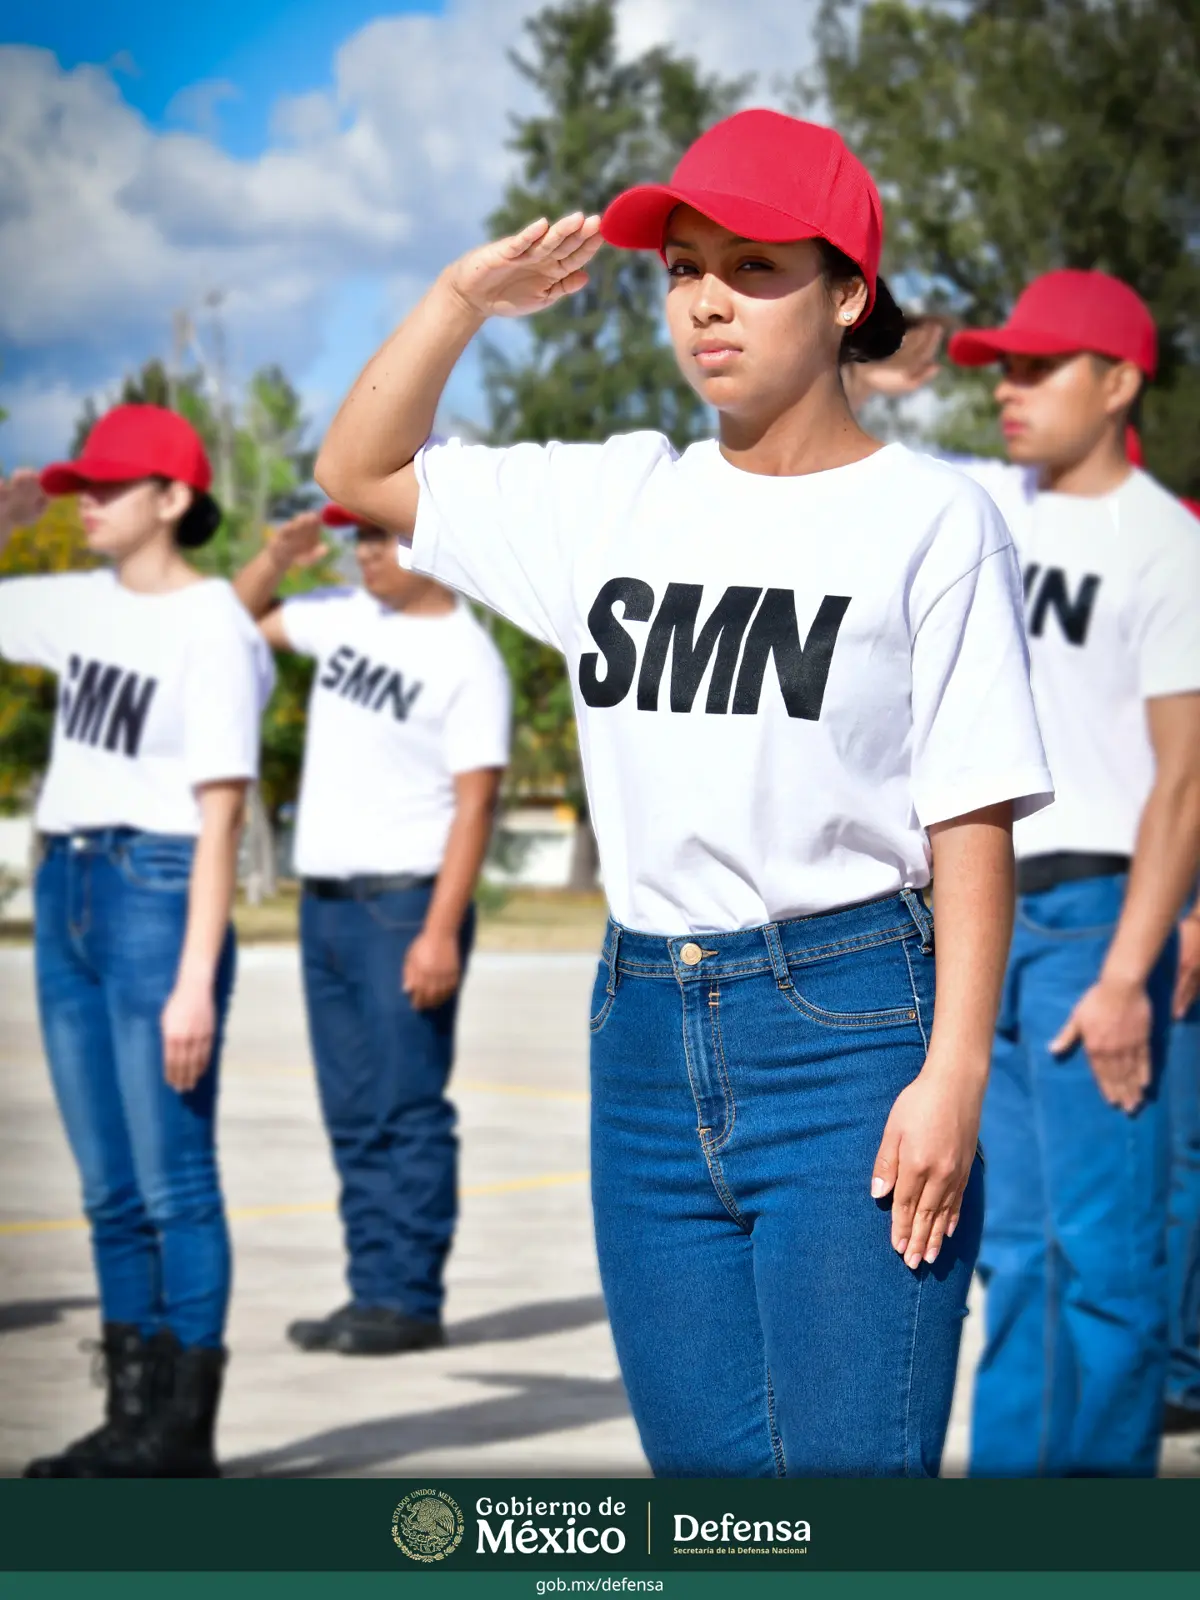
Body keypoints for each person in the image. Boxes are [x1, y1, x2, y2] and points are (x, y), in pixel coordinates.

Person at [312, 108, 1054, 1477]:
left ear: (845, 297)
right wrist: (460, 298)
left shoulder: (934, 520)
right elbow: (355, 471)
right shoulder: (614, 499)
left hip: (851, 1037)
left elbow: (973, 821)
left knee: (842, 1514)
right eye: (682, 268)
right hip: (643, 1033)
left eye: (754, 266)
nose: (707, 299)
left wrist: (955, 1072)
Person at [851, 269, 1200, 1474]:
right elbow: (828, 447)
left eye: (1038, 367)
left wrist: (1126, 973)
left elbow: (1183, 783)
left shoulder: (1165, 542)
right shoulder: (980, 501)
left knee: (1104, 1262)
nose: (1008, 387)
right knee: (1016, 1255)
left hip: (1096, 922)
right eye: (1001, 364)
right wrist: (872, 370)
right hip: (978, 915)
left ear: (1116, 383)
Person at [0, 405, 274, 1476]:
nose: (84, 506)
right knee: (107, 1186)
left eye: (107, 488)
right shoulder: (74, 603)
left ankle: (180, 1431)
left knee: (173, 1180)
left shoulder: (214, 625)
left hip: (158, 892)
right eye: (79, 488)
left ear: (173, 499)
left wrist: (195, 980)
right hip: (65, 885)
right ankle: (128, 1418)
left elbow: (222, 814)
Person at [233, 501, 509, 1354]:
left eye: (380, 536)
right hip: (323, 906)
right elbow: (223, 629)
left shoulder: (470, 660)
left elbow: (476, 806)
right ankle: (370, 1289)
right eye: (357, 538)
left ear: (433, 542)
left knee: (405, 1108)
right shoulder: (340, 618)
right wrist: (275, 560)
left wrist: (438, 931)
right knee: (352, 1111)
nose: (364, 553)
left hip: (402, 909)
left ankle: (409, 1299)